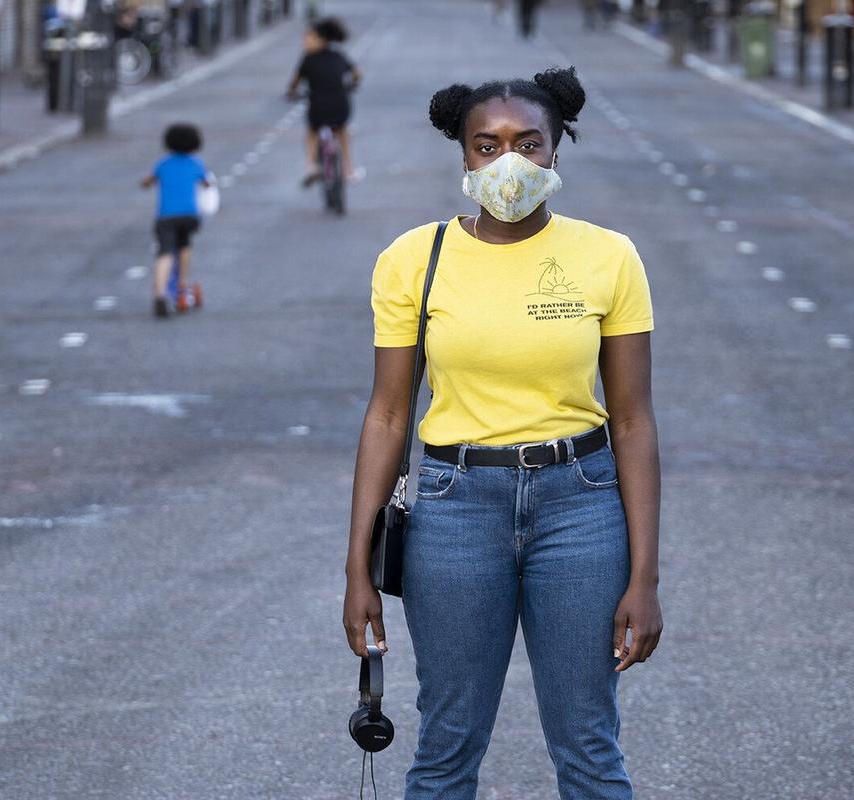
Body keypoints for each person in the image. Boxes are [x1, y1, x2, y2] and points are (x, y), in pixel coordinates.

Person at [343, 66, 662, 800]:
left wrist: (645, 574)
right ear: (463, 156)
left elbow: (635, 420)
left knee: (587, 742)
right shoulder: (412, 261)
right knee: (447, 744)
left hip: (581, 507)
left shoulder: (609, 257)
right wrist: (356, 567)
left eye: (529, 144)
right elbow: (388, 414)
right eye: (487, 146)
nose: (508, 163)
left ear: (557, 152)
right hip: (456, 508)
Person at [139, 123, 211, 317]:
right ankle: (181, 287)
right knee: (184, 247)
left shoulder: (164, 163)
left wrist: (145, 183)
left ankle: (160, 293)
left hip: (166, 216)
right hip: (189, 215)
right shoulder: (196, 163)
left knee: (165, 253)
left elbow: (148, 181)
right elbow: (207, 183)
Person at [286, 17, 361, 186]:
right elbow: (357, 73)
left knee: (312, 132)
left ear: (321, 40)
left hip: (318, 107)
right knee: (342, 130)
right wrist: (352, 84)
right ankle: (348, 167)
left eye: (308, 37)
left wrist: (291, 93)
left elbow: (295, 82)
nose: (304, 41)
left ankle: (311, 166)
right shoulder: (339, 55)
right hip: (341, 104)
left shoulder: (308, 59)